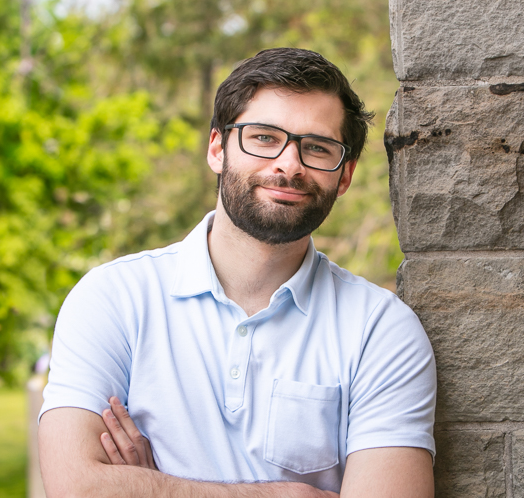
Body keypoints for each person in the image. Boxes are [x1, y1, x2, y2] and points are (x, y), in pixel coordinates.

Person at [36, 47, 436, 498]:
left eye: (317, 147)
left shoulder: (381, 330)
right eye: (264, 137)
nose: (289, 164)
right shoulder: (113, 298)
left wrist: (151, 487)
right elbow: (77, 488)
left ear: (344, 177)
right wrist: (293, 494)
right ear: (217, 148)